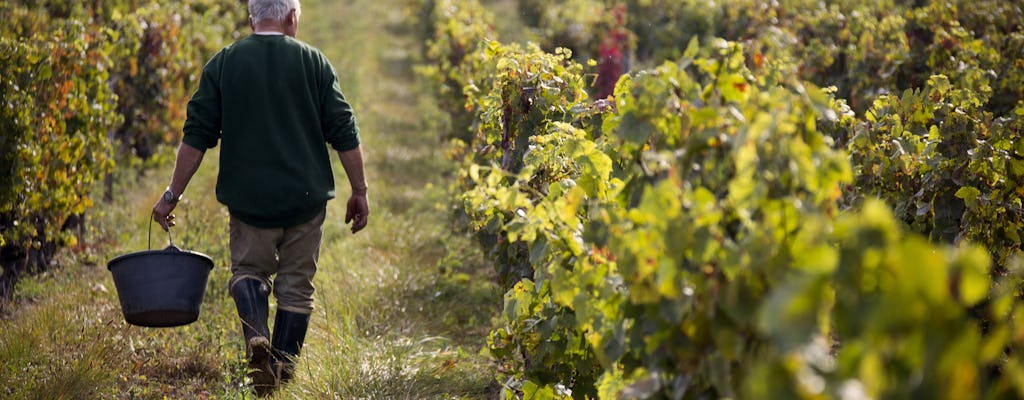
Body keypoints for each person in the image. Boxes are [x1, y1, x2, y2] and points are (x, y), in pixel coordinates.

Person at [151, 0, 368, 395]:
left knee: (248, 272)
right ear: (291, 17)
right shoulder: (314, 62)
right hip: (305, 199)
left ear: (252, 19)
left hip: (249, 202)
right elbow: (345, 130)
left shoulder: (225, 63)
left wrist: (171, 195)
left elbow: (196, 135)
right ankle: (281, 378)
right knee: (297, 287)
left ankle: (256, 336)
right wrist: (360, 191)